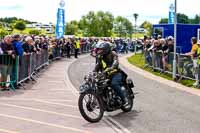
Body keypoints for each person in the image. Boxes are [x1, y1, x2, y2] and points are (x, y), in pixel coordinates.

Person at [93, 41, 128, 106]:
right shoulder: (100, 57)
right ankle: (103, 101)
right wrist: (94, 72)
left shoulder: (113, 53)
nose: (99, 51)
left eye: (101, 49)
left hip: (116, 73)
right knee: (99, 85)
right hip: (106, 75)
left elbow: (116, 61)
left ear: (105, 49)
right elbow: (98, 65)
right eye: (99, 49)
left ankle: (124, 99)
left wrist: (111, 67)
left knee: (114, 84)